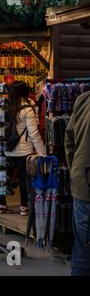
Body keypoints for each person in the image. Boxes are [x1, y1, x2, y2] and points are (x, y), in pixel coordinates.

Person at [2, 81, 46, 215]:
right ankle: (23, 207)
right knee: (22, 179)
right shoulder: (27, 109)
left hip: (7, 148)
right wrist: (42, 153)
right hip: (23, 150)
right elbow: (34, 133)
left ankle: (1, 205)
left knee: (4, 177)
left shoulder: (6, 106)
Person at [65, 90, 90, 276]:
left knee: (83, 247)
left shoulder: (83, 100)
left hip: (82, 182)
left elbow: (69, 142)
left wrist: (76, 170)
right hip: (81, 182)